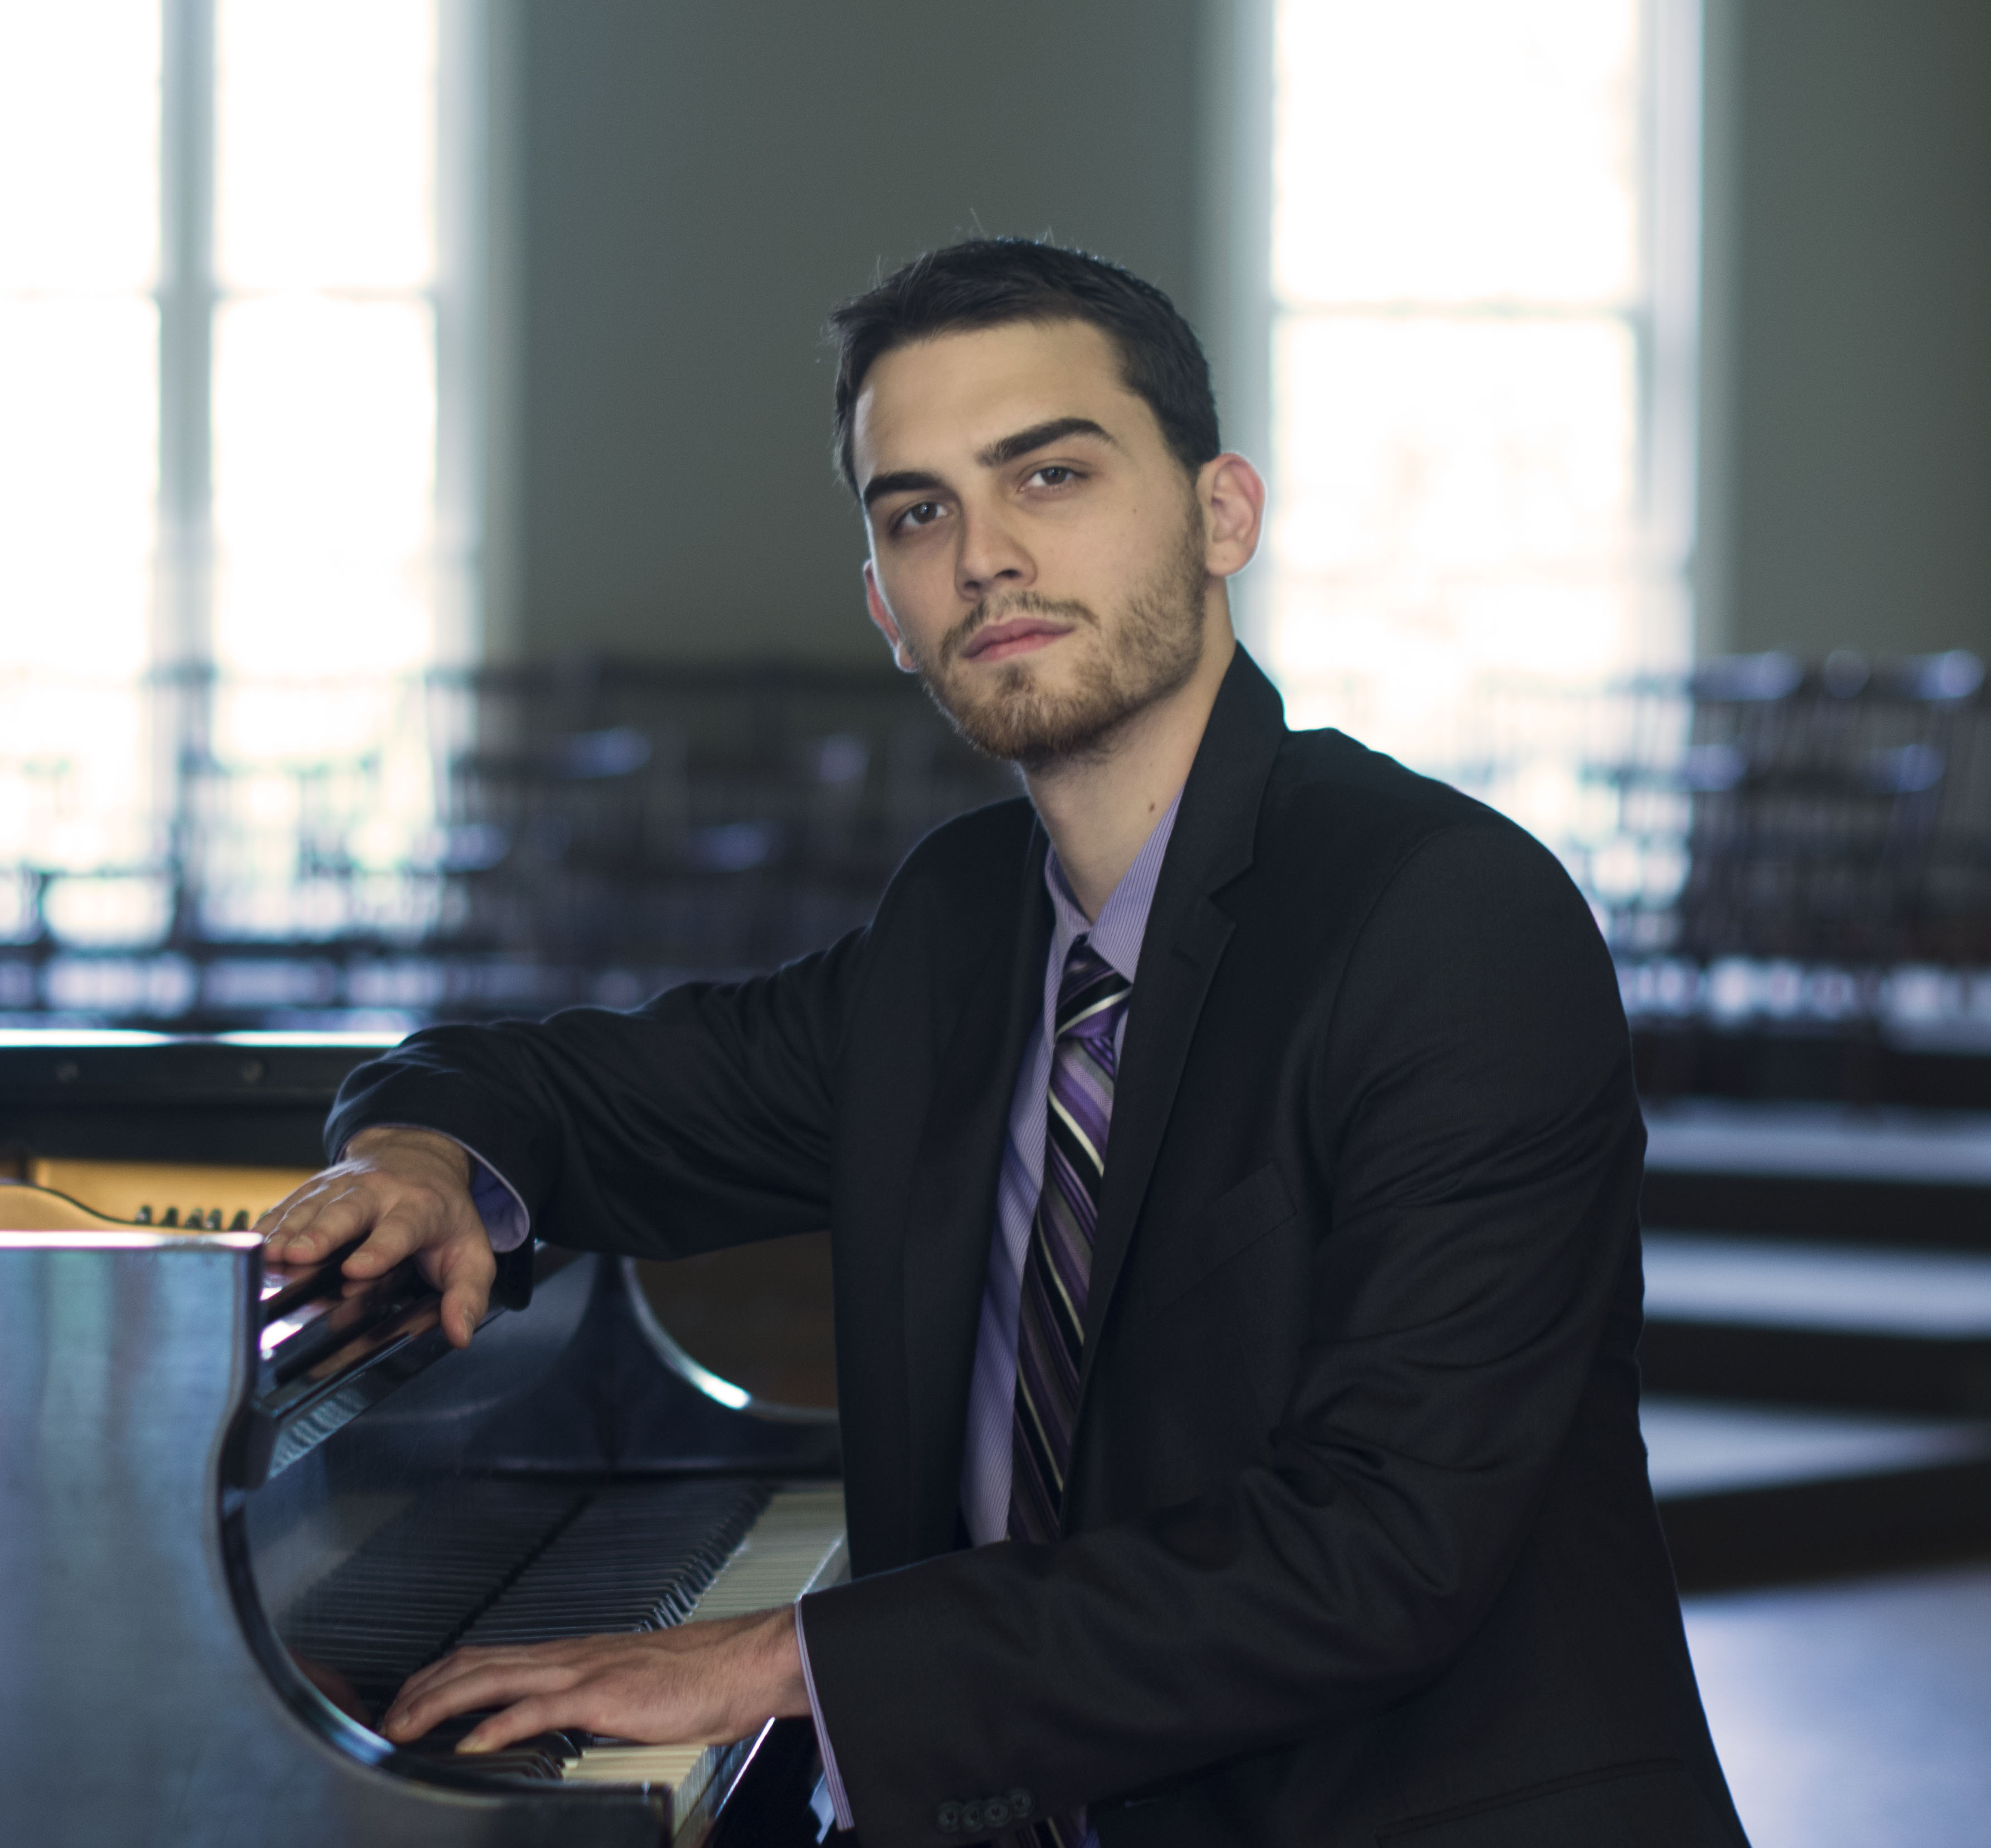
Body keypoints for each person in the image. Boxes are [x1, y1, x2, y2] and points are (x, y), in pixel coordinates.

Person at [261, 239, 1747, 1848]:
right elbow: (590, 1094)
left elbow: (1379, 1548)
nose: (983, 555)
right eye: (917, 511)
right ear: (885, 611)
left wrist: (781, 1658)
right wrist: (420, 1151)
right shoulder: (958, 931)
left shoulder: (1445, 917)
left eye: (1049, 473)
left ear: (1220, 512)